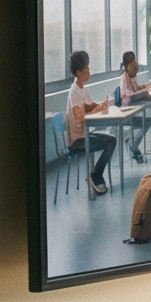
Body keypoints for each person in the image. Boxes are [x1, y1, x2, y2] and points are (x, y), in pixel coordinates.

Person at [64, 49, 116, 196]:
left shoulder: (83, 89)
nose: (89, 70)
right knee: (110, 142)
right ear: (79, 72)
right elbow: (80, 118)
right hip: (77, 140)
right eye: (86, 67)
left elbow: (92, 107)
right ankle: (96, 175)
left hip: (84, 136)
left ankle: (95, 174)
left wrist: (105, 103)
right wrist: (99, 108)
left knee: (112, 140)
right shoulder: (74, 91)